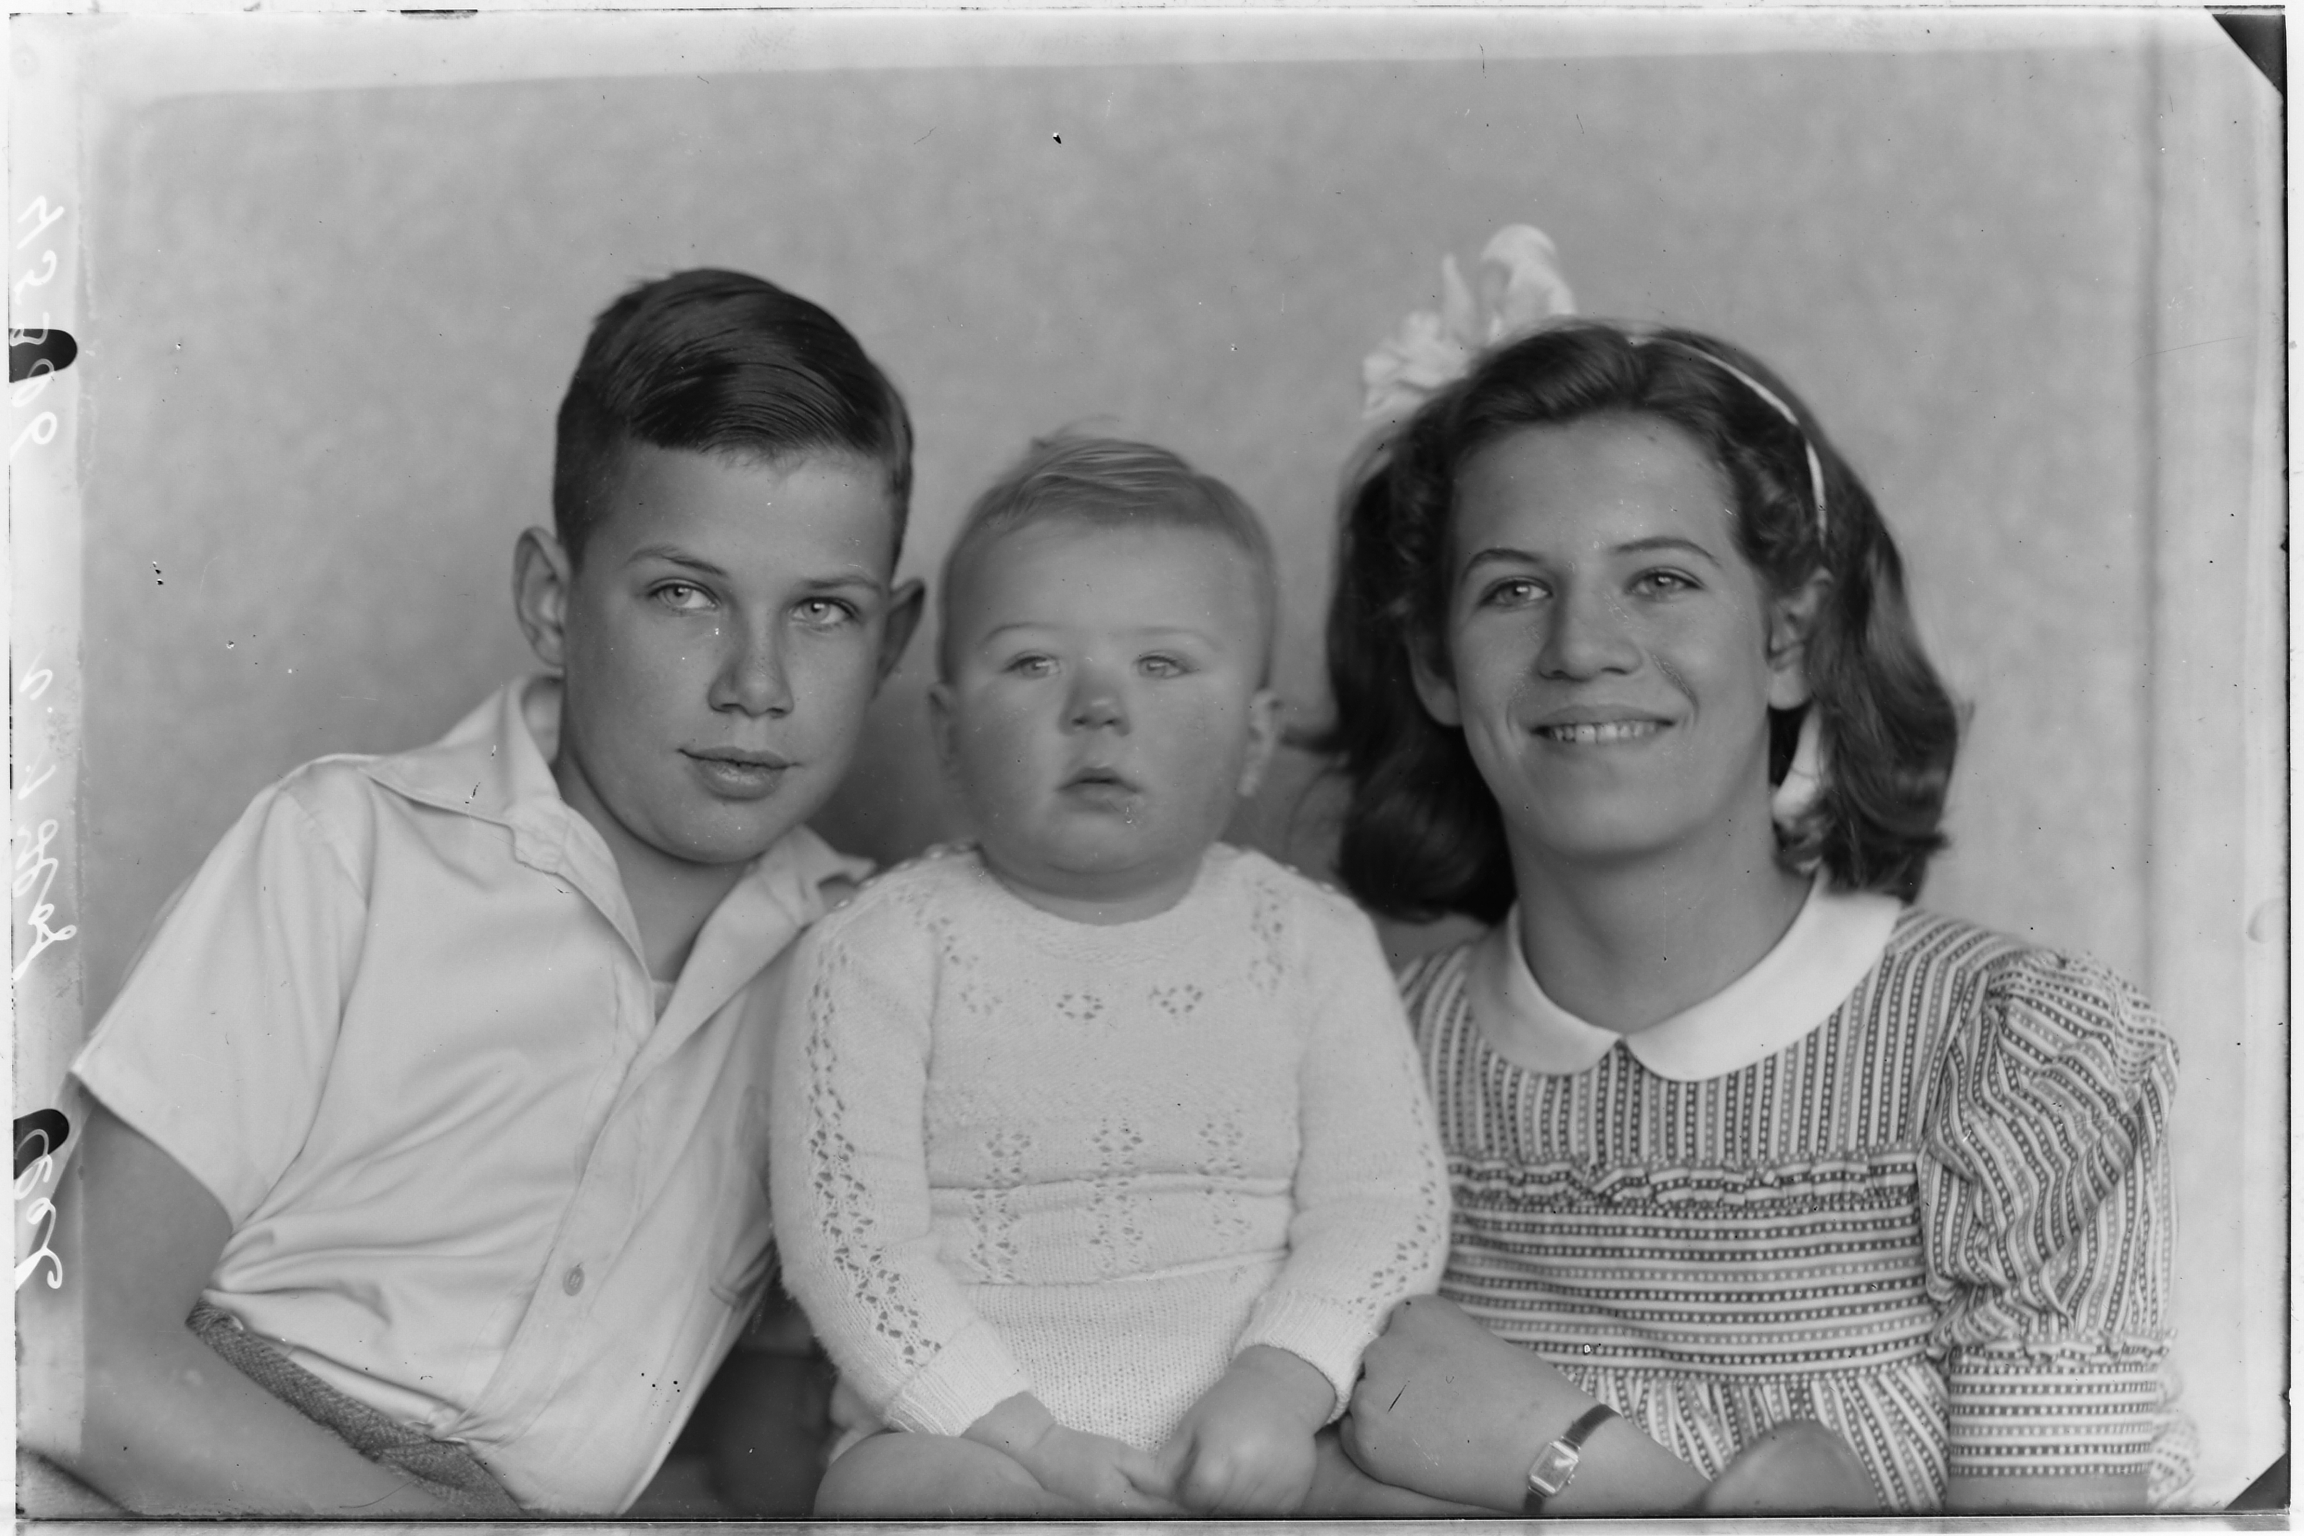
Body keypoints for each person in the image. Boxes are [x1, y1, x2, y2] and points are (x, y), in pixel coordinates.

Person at [19, 269, 925, 1516]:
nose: (755, 685)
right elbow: (66, 1353)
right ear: (553, 601)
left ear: (894, 642)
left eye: (823, 610)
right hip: (191, 1464)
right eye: (685, 594)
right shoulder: (345, 854)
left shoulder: (871, 966)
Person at [1319, 295, 2192, 1513]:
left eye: (1660, 579)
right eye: (1513, 591)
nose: (1583, 647)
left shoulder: (2012, 1058)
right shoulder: (1351, 1059)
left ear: (1788, 639)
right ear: (1435, 665)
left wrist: (1571, 1456)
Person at [768, 435, 1454, 1518]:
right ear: (950, 732)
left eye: (1162, 665)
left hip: (1265, 1430)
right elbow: (852, 1252)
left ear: (1254, 742)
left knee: (1416, 1501)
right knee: (888, 1498)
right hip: (979, 1437)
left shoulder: (1310, 940)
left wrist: (1279, 1389)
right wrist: (1035, 1445)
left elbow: (1383, 1211)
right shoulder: (875, 951)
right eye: (1033, 663)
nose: (1098, 706)